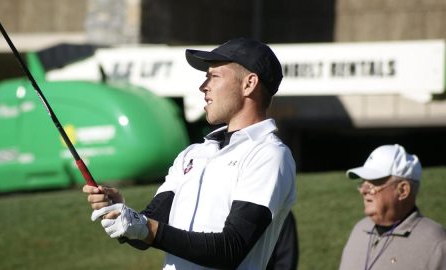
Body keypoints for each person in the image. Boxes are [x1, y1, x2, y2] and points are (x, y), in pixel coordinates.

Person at [83, 37, 297, 269]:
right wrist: (123, 215)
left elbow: (231, 249)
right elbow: (149, 230)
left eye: (213, 76)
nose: (203, 86)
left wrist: (144, 227)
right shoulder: (192, 154)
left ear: (249, 84)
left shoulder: (269, 154)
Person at [339, 144, 446, 270]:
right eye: (363, 183)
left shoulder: (436, 243)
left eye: (374, 183)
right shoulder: (360, 229)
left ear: (403, 190)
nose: (363, 190)